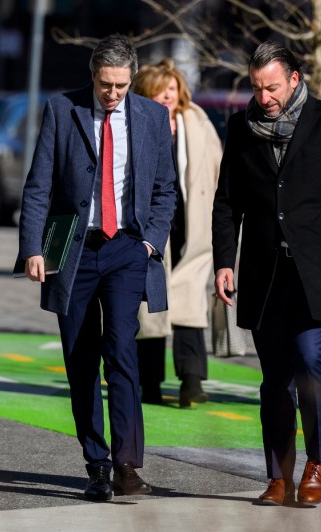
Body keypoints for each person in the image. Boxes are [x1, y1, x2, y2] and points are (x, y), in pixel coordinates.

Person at [212, 42, 321, 506]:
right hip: (264, 274)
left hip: (317, 271)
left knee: (311, 359)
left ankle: (317, 463)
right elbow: (228, 202)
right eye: (257, 88)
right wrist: (225, 261)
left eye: (273, 87)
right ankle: (279, 476)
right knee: (275, 379)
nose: (264, 97)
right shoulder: (241, 128)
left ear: (295, 79)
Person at [17, 34, 176, 501]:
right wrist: (33, 248)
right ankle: (97, 463)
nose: (112, 94)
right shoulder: (61, 111)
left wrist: (151, 243)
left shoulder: (152, 117)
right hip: (75, 251)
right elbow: (38, 185)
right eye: (105, 85)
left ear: (131, 79)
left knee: (122, 350)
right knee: (81, 360)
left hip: (128, 249)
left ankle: (128, 463)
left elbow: (166, 190)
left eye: (121, 86)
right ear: (93, 77)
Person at [131, 59, 222, 407]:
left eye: (172, 89)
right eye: (160, 89)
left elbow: (216, 167)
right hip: (153, 227)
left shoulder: (197, 122)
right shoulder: (137, 122)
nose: (168, 95)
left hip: (193, 225)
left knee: (191, 305)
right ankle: (149, 384)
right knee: (151, 309)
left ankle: (192, 382)